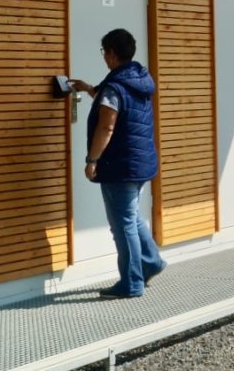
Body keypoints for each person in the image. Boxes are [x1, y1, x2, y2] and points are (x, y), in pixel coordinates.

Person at [69, 28, 166, 298]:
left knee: (122, 224)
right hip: (141, 161)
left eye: (104, 52)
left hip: (120, 165)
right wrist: (89, 89)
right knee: (133, 218)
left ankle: (132, 283)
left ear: (112, 53)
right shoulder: (138, 78)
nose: (103, 57)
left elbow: (106, 126)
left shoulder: (115, 86)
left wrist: (92, 160)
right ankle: (151, 262)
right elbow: (117, 101)